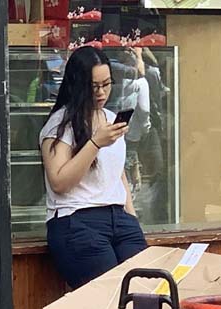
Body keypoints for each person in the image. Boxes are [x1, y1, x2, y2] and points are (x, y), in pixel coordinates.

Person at [39, 46, 148, 289]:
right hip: (77, 218)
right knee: (108, 296)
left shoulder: (110, 118)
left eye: (106, 84)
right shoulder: (60, 124)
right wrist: (95, 143)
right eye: (93, 86)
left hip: (119, 218)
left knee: (144, 292)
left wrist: (132, 218)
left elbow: (117, 174)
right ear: (77, 85)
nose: (101, 93)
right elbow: (59, 182)